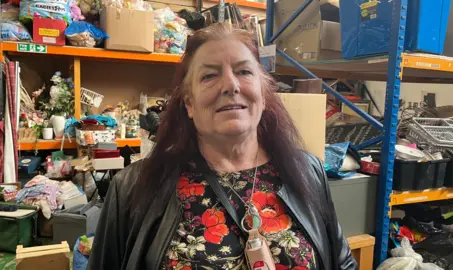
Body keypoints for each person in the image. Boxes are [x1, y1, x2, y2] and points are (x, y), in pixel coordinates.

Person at [88, 23, 357, 270]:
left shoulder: (307, 171)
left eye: (243, 71)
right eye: (209, 76)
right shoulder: (134, 188)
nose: (230, 85)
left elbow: (341, 263)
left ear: (263, 95)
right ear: (190, 104)